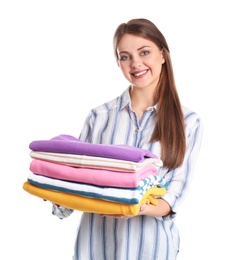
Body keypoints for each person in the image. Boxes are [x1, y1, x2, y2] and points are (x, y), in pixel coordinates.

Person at [52, 18, 203, 260]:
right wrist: (54, 187)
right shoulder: (99, 117)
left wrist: (133, 206)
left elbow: (173, 195)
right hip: (95, 248)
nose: (135, 63)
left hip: (152, 249)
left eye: (144, 52)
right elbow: (79, 181)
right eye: (125, 56)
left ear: (162, 54)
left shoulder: (188, 122)